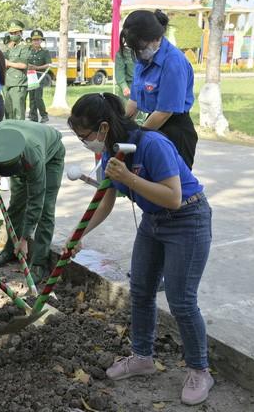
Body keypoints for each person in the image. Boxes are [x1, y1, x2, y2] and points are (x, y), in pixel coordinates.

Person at [68, 92, 213, 406]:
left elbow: (173, 197)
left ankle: (200, 369)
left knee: (182, 300)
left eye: (84, 137)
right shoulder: (110, 152)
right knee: (142, 289)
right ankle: (142, 357)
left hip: (188, 218)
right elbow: (106, 199)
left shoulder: (152, 144)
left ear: (104, 127)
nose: (84, 142)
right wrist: (80, 234)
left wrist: (130, 178)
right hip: (153, 221)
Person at [0, 120, 65, 283]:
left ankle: (39, 263)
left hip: (51, 157)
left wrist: (25, 238)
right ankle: (10, 250)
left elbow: (36, 199)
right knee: (16, 205)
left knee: (45, 209)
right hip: (20, 156)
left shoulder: (33, 156)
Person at [122, 9, 197, 169]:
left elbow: (164, 113)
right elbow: (134, 102)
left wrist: (138, 138)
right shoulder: (143, 60)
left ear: (157, 38)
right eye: (135, 49)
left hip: (175, 130)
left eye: (142, 47)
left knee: (173, 189)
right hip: (152, 124)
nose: (139, 53)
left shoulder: (173, 62)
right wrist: (120, 127)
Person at [3, 20, 30, 120]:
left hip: (18, 84)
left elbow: (23, 65)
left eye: (16, 33)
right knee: (8, 113)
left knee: (18, 113)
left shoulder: (24, 47)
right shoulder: (10, 48)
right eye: (11, 33)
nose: (13, 35)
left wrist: (9, 63)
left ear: (21, 33)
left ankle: (20, 134)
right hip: (7, 83)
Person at [26, 29, 52, 123]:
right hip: (30, 76)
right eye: (34, 40)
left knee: (38, 97)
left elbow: (48, 64)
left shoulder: (45, 52)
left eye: (38, 40)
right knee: (32, 97)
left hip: (40, 76)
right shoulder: (28, 51)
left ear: (41, 41)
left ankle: (44, 115)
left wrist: (37, 67)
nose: (36, 41)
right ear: (32, 41)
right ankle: (33, 117)